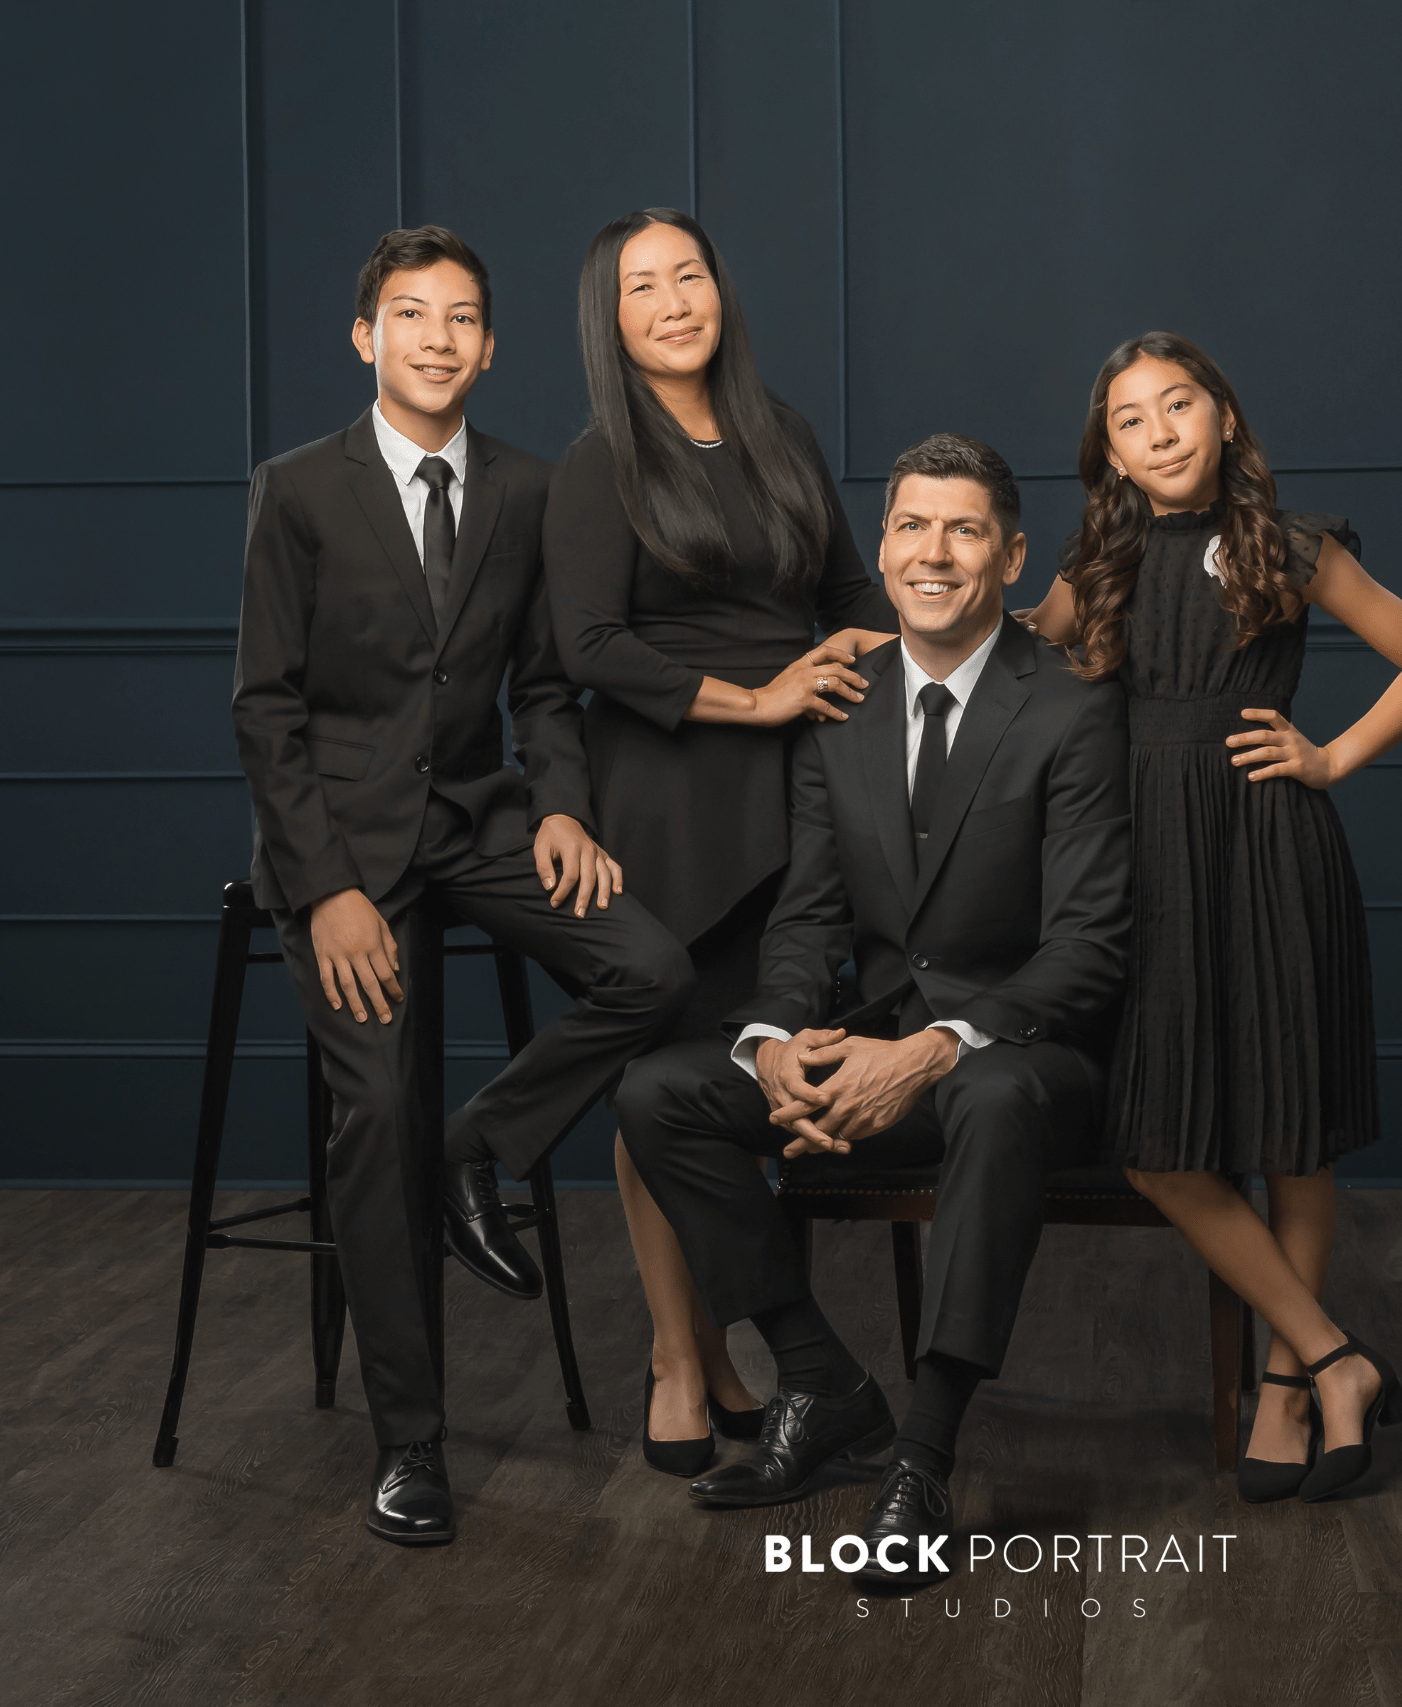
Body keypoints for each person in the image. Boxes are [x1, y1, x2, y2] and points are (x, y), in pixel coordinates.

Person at [233, 226, 696, 1547]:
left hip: (477, 818)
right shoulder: (297, 490)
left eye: (463, 319)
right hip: (338, 842)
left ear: (491, 347)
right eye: (409, 314)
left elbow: (547, 686)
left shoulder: (529, 489)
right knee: (376, 1103)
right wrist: (324, 887)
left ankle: (475, 1147)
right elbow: (263, 709)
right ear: (364, 336)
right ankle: (411, 1442)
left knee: (651, 967)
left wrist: (558, 805)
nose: (438, 338)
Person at [616, 434, 1129, 1589]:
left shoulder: (1071, 711)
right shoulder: (838, 708)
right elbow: (808, 916)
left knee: (990, 1094)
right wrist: (778, 1040)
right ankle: (822, 1382)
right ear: (884, 547)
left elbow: (1089, 949)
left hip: (1028, 1067)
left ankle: (924, 1457)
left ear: (1008, 556)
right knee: (660, 1091)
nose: (930, 553)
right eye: (908, 527)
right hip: (871, 1056)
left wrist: (934, 1048)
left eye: (960, 530)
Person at [1024, 330, 1402, 1502]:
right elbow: (1015, 653)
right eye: (1130, 417)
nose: (1160, 430)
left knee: (1288, 1123)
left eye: (1179, 404)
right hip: (1145, 859)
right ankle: (1337, 1358)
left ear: (1224, 418)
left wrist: (1329, 759)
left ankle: (1283, 1385)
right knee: (1160, 1145)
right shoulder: (1098, 560)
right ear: (1108, 453)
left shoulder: (1287, 547)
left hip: (1268, 848)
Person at [543, 208, 895, 1477]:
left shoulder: (783, 433)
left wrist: (950, 628)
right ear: (612, 318)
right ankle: (682, 1355)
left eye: (688, 274)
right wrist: (761, 697)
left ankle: (760, 1348)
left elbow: (853, 597)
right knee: (665, 1089)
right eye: (642, 286)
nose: (673, 300)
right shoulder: (600, 464)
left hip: (799, 798)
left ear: (719, 292)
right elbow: (586, 647)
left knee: (751, 1082)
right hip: (669, 806)